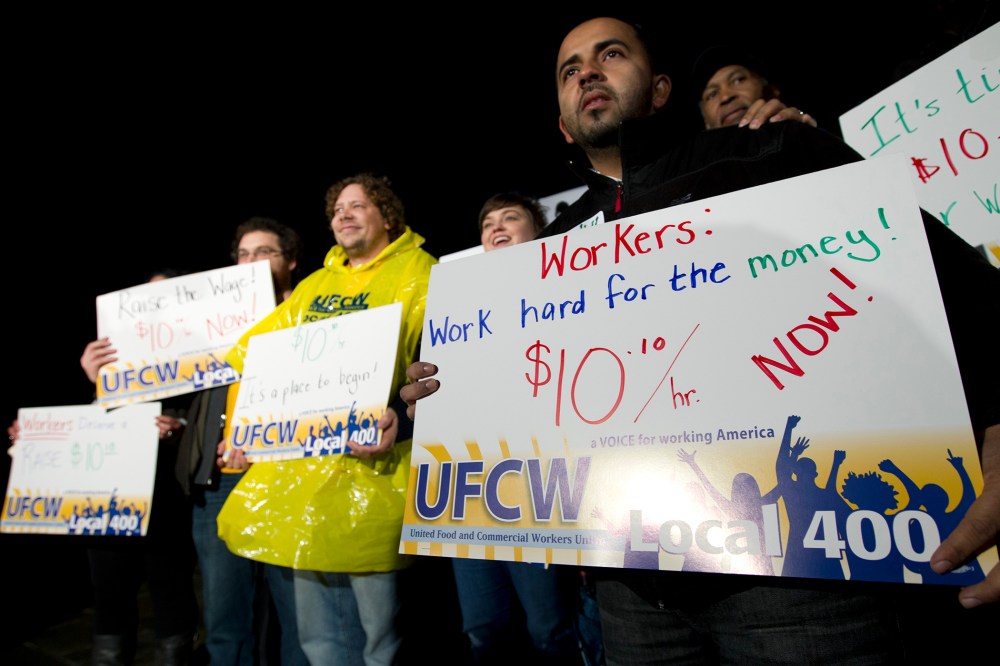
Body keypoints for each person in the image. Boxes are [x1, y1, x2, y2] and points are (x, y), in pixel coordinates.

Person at [404, 15, 1000, 663]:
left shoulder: (774, 153)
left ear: (660, 91)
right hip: (631, 599)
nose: (588, 73)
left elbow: (960, 291)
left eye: (610, 55)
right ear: (563, 123)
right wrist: (446, 395)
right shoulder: (541, 259)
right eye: (570, 70)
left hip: (802, 586)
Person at [215, 173, 435, 666]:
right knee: (318, 637)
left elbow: (442, 367)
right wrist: (253, 428)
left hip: (375, 474)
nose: (345, 215)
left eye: (358, 205)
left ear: (388, 216)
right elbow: (260, 357)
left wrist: (403, 418)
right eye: (338, 210)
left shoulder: (423, 273)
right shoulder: (314, 285)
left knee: (383, 636)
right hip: (302, 482)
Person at [452, 192, 585, 665]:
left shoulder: (570, 292)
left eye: (511, 217)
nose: (497, 227)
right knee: (482, 630)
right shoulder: (455, 306)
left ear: (538, 231)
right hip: (466, 487)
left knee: (550, 630)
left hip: (540, 485)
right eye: (488, 223)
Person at [175, 217, 307, 666]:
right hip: (218, 484)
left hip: (284, 480)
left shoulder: (309, 315)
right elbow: (163, 387)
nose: (251, 262)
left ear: (290, 260)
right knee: (225, 615)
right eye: (244, 254)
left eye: (265, 252)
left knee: (296, 616)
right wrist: (105, 377)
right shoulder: (212, 324)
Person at [56, 268, 198, 666]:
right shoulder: (114, 354)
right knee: (109, 591)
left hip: (167, 492)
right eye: (150, 298)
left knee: (170, 587)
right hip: (110, 492)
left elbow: (204, 415)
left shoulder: (201, 351)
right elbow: (90, 421)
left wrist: (180, 429)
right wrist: (94, 380)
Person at [692, 44, 817, 130]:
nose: (726, 97)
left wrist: (806, 134)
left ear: (772, 91)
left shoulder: (798, 131)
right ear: (706, 123)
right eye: (712, 94)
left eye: (738, 80)